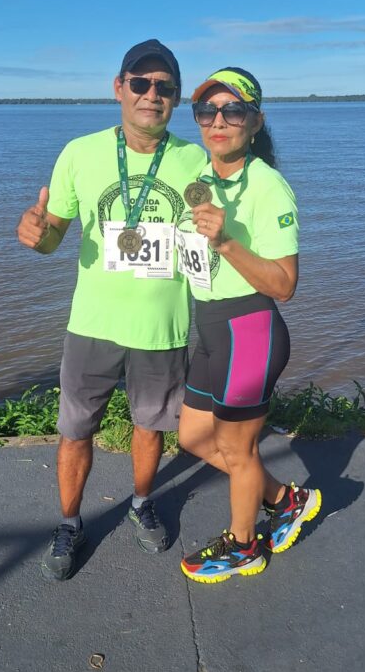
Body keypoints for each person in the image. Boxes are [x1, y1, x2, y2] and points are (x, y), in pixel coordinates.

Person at [16, 40, 206, 581]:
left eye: (164, 87)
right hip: (92, 325)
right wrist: (36, 233)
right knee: (76, 430)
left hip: (163, 328)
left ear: (175, 98)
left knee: (151, 426)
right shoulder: (80, 152)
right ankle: (70, 523)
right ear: (118, 88)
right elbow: (53, 235)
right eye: (141, 83)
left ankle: (142, 503)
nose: (152, 95)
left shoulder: (194, 161)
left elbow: (208, 238)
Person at [176, 67, 321, 584]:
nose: (219, 121)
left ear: (255, 122)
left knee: (239, 451)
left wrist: (226, 242)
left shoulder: (268, 187)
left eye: (233, 110)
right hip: (210, 329)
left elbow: (284, 284)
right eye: (207, 111)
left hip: (250, 330)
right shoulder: (200, 171)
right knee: (194, 437)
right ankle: (286, 499)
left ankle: (243, 547)